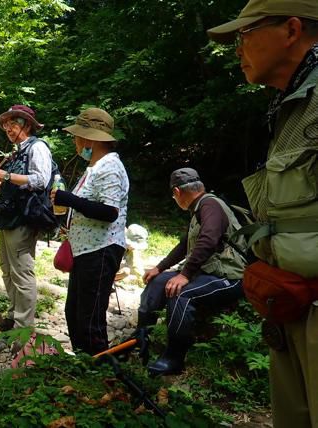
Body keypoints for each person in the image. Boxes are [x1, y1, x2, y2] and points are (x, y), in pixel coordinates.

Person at [207, 2, 318, 425]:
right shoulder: (290, 107)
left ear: (291, 29)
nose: (238, 49)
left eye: (245, 35)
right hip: (292, 314)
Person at [138, 168, 246, 376]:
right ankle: (141, 336)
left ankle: (174, 357)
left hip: (229, 276)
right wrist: (159, 268)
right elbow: (185, 244)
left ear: (177, 192)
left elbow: (208, 239)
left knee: (181, 294)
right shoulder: (199, 208)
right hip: (208, 271)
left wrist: (185, 274)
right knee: (158, 282)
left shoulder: (210, 205)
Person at [49, 107, 129, 355]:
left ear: (89, 140)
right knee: (74, 312)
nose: (75, 141)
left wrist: (68, 199)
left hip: (101, 250)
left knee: (90, 317)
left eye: (77, 136)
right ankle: (85, 368)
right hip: (86, 250)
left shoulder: (110, 167)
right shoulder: (96, 167)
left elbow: (109, 212)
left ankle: (100, 375)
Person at [0, 105, 53, 331]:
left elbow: (41, 180)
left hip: (24, 218)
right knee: (7, 269)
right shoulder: (17, 152)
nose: (8, 128)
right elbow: (11, 188)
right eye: (6, 125)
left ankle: (24, 327)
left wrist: (6, 174)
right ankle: (14, 315)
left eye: (13, 123)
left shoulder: (38, 148)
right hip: (9, 218)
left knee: (22, 272)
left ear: (26, 125)